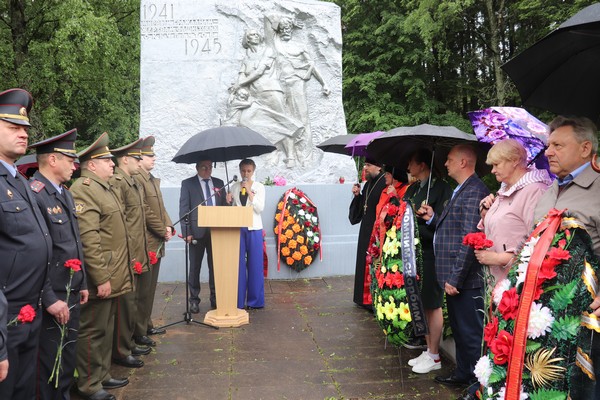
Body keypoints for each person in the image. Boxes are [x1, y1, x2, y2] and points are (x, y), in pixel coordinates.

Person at [532, 116, 600, 399]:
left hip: (588, 320)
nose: (548, 152)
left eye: (558, 145)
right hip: (546, 317)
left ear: (585, 148)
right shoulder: (550, 190)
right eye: (549, 145)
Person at [418, 144, 489, 400]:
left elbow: (470, 240)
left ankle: (475, 385)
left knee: (470, 334)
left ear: (463, 163)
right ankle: (462, 373)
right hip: (452, 276)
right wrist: (433, 217)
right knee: (459, 330)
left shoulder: (475, 191)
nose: (445, 164)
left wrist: (455, 278)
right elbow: (452, 228)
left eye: (449, 160)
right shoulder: (462, 189)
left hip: (465, 280)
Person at [28, 128, 90, 399]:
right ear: (52, 160)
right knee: (49, 362)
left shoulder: (63, 193)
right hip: (52, 296)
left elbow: (74, 242)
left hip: (71, 290)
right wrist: (50, 297)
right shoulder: (36, 194)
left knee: (67, 357)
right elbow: (39, 253)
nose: (74, 165)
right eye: (69, 159)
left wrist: (83, 281)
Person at [0, 88, 52, 399]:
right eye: (13, 127)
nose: (24, 134)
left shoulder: (19, 180)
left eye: (25, 128)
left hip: (29, 313)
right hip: (6, 319)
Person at [72, 132, 132, 400]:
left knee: (105, 328)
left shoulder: (104, 188)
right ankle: (88, 385)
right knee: (92, 331)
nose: (112, 163)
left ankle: (101, 374)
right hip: (103, 274)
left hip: (114, 270)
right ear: (92, 165)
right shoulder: (84, 189)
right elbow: (89, 239)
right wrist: (101, 277)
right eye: (107, 160)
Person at [475, 139, 551, 286]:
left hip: (518, 284)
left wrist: (498, 258)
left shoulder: (535, 191)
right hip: (497, 282)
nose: (492, 170)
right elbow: (497, 228)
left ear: (515, 161)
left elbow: (539, 242)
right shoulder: (505, 189)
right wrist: (485, 213)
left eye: (497, 164)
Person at [404, 149, 452, 373]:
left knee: (432, 304)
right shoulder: (413, 188)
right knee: (422, 302)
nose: (408, 167)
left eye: (411, 163)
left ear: (422, 164)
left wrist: (429, 218)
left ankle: (434, 354)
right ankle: (427, 348)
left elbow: (445, 224)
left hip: (431, 252)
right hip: (414, 253)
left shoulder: (442, 189)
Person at [109, 139, 152, 368]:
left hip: (138, 247)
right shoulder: (119, 182)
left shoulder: (133, 181)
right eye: (136, 158)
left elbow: (139, 217)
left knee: (134, 300)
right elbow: (121, 219)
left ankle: (129, 342)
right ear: (125, 159)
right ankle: (121, 349)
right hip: (128, 249)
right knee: (125, 304)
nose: (140, 161)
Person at [133, 136, 173, 336]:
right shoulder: (138, 179)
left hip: (156, 240)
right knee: (143, 291)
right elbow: (146, 211)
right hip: (147, 242)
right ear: (139, 159)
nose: (154, 158)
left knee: (150, 290)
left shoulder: (151, 179)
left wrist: (168, 225)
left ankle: (145, 325)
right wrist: (161, 229)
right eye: (150, 155)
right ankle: (139, 330)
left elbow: (161, 208)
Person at [179, 159, 226, 313]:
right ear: (197, 168)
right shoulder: (188, 184)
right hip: (196, 232)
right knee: (195, 267)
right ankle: (194, 300)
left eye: (210, 167)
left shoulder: (219, 183)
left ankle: (215, 298)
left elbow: (225, 208)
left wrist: (229, 201)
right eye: (204, 167)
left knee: (215, 267)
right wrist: (187, 232)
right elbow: (184, 209)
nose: (208, 170)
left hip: (216, 231)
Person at [364, 164, 409, 305]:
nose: (385, 176)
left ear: (395, 175)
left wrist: (395, 196)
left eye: (388, 173)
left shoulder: (405, 189)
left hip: (393, 238)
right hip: (379, 236)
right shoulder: (384, 190)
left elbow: (403, 211)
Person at [226, 159, 266, 309]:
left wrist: (250, 192)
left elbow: (259, 208)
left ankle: (255, 301)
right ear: (240, 170)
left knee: (255, 264)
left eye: (249, 171)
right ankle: (238, 301)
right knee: (238, 266)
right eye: (243, 170)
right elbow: (232, 208)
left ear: (253, 171)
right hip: (238, 228)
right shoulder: (234, 187)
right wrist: (228, 201)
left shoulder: (259, 187)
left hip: (254, 228)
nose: (246, 174)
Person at [349, 159, 386, 308]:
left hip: (376, 231)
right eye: (364, 165)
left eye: (368, 165)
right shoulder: (369, 183)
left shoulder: (384, 183)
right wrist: (358, 195)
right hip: (365, 229)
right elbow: (362, 208)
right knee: (363, 263)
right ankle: (362, 298)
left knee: (372, 264)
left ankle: (372, 300)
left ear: (378, 166)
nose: (365, 168)